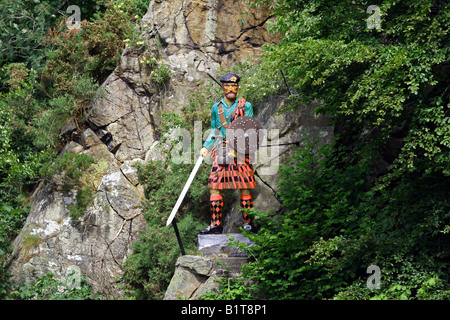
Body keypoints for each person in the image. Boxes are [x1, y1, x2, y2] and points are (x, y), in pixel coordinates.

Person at [199, 73, 257, 235]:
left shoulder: (246, 106)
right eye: (228, 86)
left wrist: (238, 149)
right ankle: (216, 225)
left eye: (234, 86)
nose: (231, 89)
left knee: (245, 187)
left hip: (241, 150)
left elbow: (250, 130)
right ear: (223, 87)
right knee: (214, 186)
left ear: (238, 87)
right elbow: (214, 130)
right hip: (222, 148)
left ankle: (248, 223)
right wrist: (206, 146)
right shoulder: (216, 108)